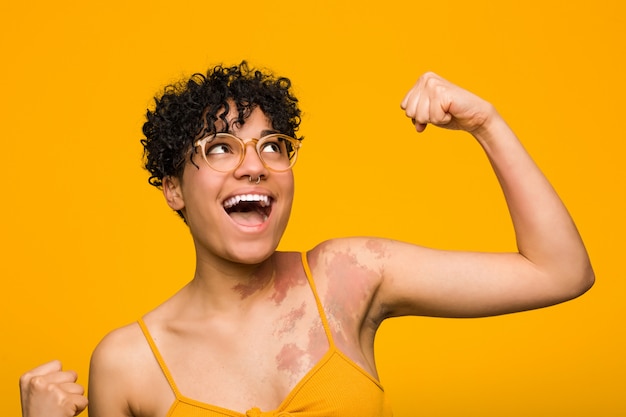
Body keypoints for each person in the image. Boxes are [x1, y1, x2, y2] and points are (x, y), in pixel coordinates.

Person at [19, 62, 594, 417]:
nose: (255, 165)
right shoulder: (127, 363)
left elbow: (561, 271)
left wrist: (485, 124)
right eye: (220, 147)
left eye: (272, 146)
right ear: (172, 188)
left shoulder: (348, 276)